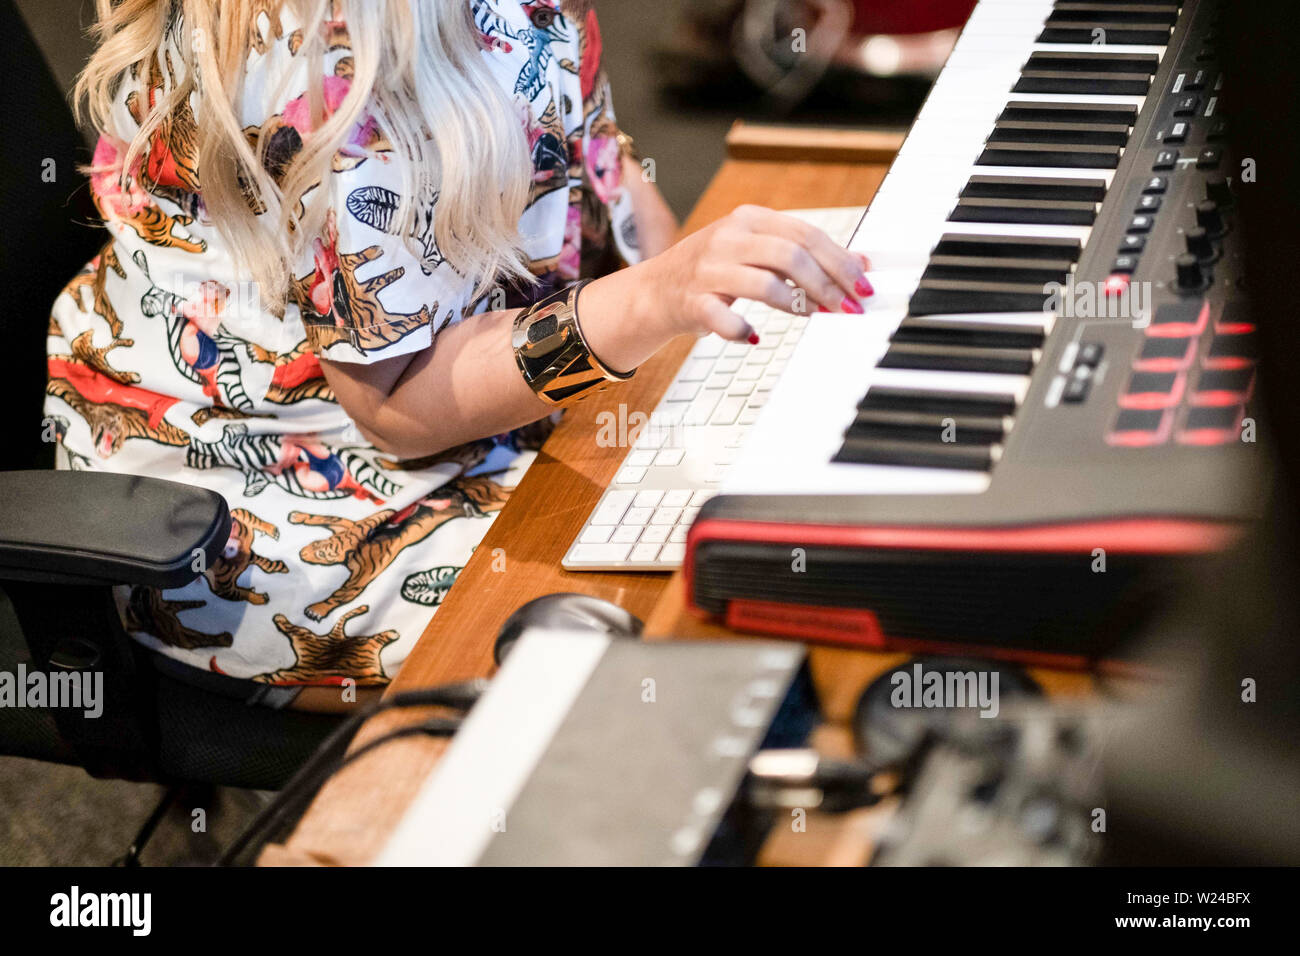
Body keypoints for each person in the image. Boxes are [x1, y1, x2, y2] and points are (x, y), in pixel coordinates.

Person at [51, 0, 873, 709]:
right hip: (278, 484)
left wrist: (691, 306)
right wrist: (651, 303)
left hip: (476, 378)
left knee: (793, 505)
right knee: (680, 626)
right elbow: (400, 409)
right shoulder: (315, 55)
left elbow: (591, 155)